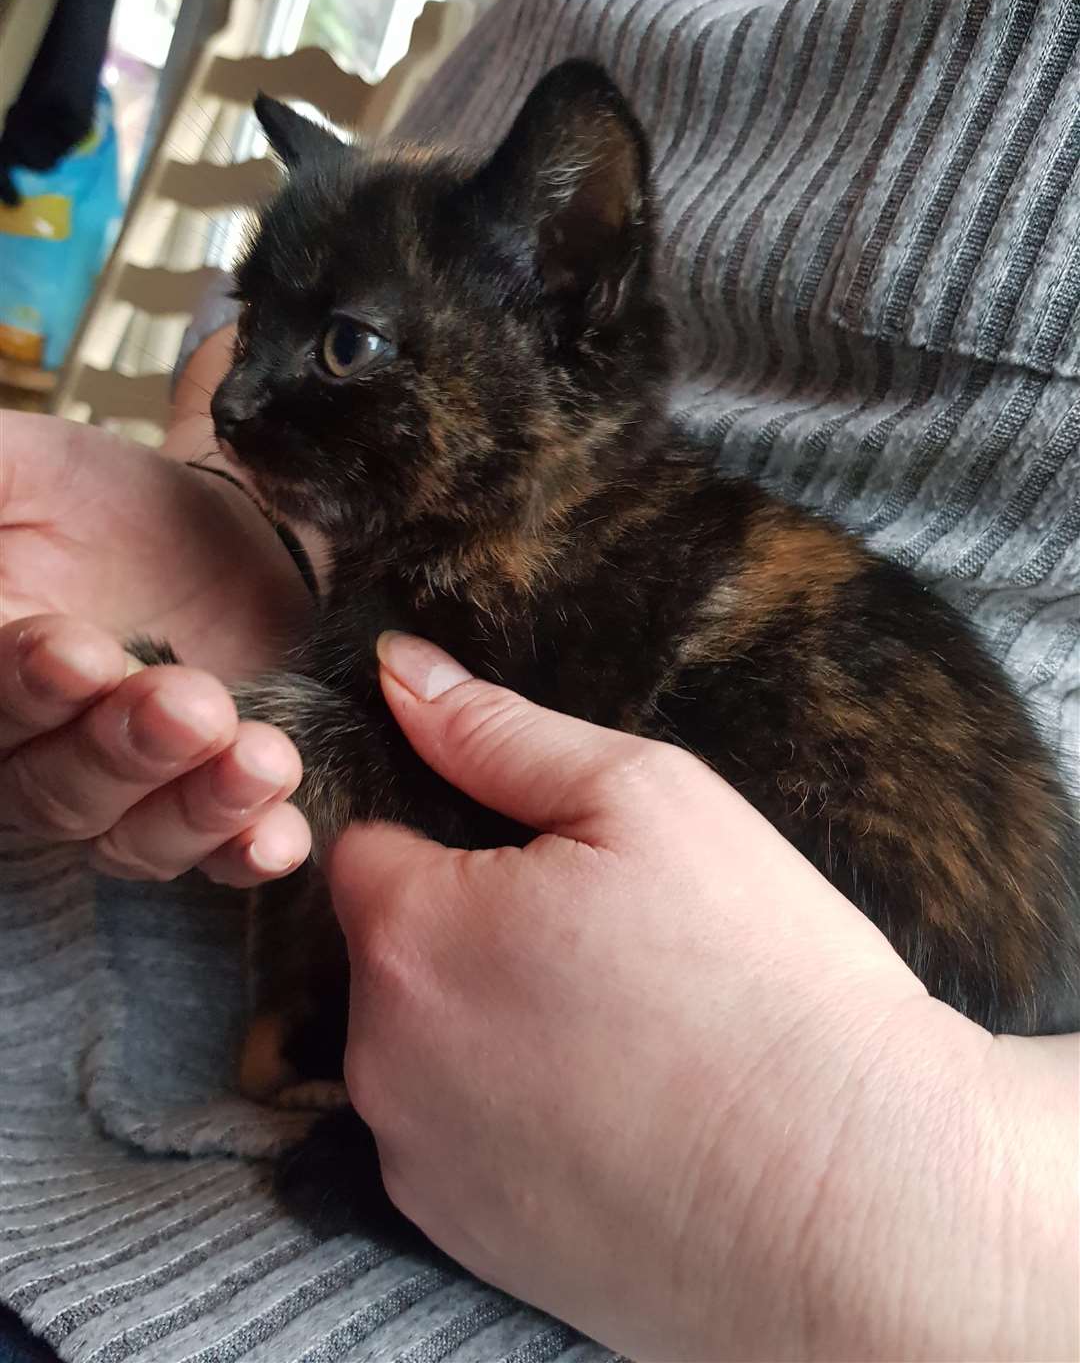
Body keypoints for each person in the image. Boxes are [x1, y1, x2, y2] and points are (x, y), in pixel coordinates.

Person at [0, 323, 1076, 1361]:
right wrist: (247, 521)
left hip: (768, 1241)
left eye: (338, 345)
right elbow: (360, 313)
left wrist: (929, 1220)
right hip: (167, 978)